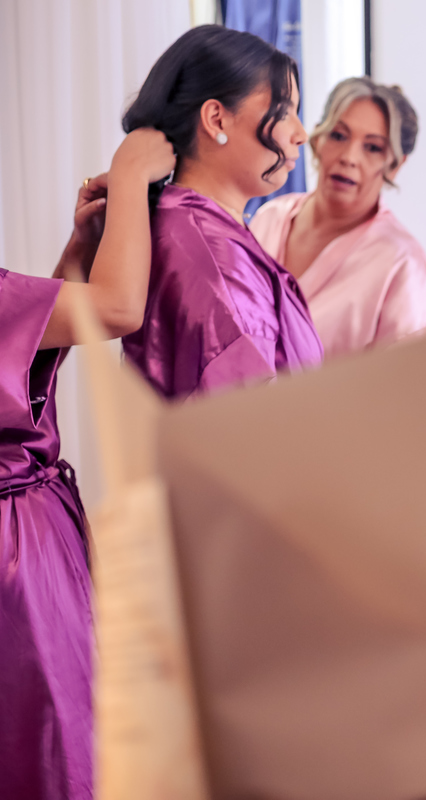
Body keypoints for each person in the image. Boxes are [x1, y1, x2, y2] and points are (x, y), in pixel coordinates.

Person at [0, 128, 175, 799]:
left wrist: (77, 255)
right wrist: (130, 170)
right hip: (18, 567)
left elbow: (22, 343)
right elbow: (119, 307)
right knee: (52, 746)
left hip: (25, 545)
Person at [120, 25, 323, 400]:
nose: (301, 133)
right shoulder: (217, 263)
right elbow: (253, 425)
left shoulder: (187, 227)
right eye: (284, 111)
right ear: (216, 119)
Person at [250, 77, 426, 371]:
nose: (349, 158)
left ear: (395, 164)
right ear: (317, 139)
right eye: (339, 136)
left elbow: (414, 387)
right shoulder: (268, 218)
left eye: (373, 148)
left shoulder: (402, 264)